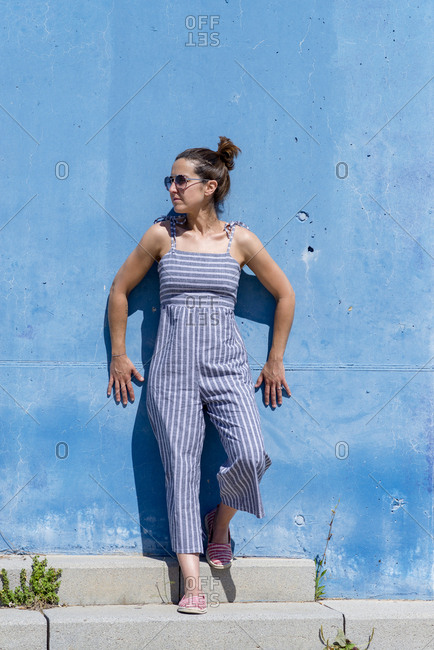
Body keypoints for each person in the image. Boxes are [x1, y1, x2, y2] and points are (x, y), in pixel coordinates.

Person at [106, 136, 295, 614]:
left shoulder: (240, 239)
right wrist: (119, 354)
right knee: (181, 473)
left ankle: (219, 525)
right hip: (170, 372)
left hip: (227, 368)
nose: (172, 187)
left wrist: (275, 359)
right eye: (170, 180)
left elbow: (285, 294)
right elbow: (120, 290)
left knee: (252, 455)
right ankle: (192, 582)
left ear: (210, 186)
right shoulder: (160, 235)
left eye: (180, 180)